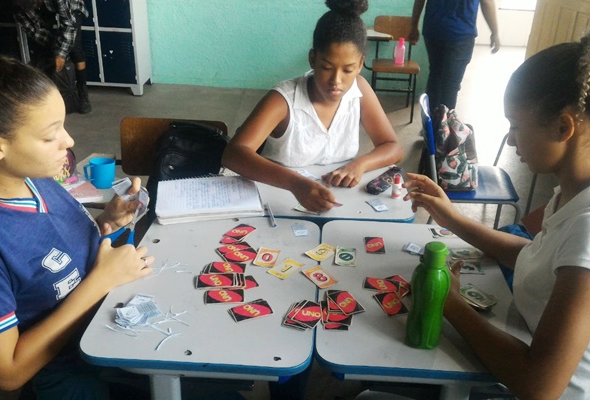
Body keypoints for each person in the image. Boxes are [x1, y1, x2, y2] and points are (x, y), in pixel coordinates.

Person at [403, 32, 590, 399]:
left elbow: (541, 386)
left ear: (563, 127)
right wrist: (451, 217)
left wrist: (449, 302)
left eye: (516, 125)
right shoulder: (570, 191)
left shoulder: (587, 229)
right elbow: (532, 255)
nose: (512, 140)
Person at [0, 56, 154, 399]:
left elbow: (47, 255)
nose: (68, 142)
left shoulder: (35, 177)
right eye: (51, 136)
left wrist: (105, 223)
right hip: (61, 369)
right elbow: (7, 375)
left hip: (103, 325)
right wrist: (102, 280)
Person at [221, 0, 403, 213]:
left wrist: (359, 165)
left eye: (348, 70)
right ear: (312, 59)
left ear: (361, 64)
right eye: (326, 67)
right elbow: (233, 154)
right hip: (278, 203)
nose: (336, 80)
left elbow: (392, 146)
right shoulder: (283, 100)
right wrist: (295, 183)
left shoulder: (359, 90)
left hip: (335, 204)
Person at [408, 0, 500, 111]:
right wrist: (494, 32)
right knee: (450, 84)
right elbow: (487, 2)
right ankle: (444, 125)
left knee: (435, 77)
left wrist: (414, 26)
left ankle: (430, 124)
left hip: (433, 30)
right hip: (460, 33)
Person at [13, 0, 93, 114]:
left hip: (71, 7)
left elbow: (69, 24)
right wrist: (54, 45)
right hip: (47, 9)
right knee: (45, 52)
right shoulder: (18, 8)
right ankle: (51, 97)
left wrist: (61, 53)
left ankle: (82, 94)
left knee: (76, 50)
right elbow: (35, 32)